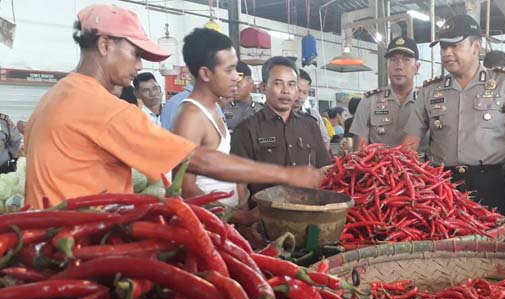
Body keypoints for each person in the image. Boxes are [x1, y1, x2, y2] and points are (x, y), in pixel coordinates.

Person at [23, 4, 321, 209]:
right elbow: (196, 161)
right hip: (77, 248)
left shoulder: (57, 95)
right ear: (104, 45)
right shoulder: (102, 107)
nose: (139, 65)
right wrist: (284, 175)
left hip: (50, 242)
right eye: (136, 53)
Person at [402, 14, 505, 231]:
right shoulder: (429, 91)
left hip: (490, 186)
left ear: (476, 46)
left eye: (455, 45)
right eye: (443, 47)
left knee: (494, 255)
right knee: (446, 253)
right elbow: (409, 144)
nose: (447, 53)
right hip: (442, 188)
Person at [231, 56, 332, 198]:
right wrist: (246, 216)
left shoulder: (310, 125)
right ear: (264, 87)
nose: (286, 91)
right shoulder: (246, 130)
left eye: (291, 85)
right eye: (278, 84)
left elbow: (324, 169)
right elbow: (239, 182)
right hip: (266, 213)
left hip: (310, 209)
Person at [171, 28, 244, 208]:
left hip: (226, 222)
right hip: (207, 227)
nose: (236, 77)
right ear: (205, 74)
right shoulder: (191, 117)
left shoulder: (213, 108)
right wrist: (242, 217)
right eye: (230, 70)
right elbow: (185, 189)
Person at [349, 36, 419, 151]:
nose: (399, 66)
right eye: (393, 59)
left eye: (406, 59)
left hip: (420, 168)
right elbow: (359, 151)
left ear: (417, 67)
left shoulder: (426, 101)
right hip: (378, 167)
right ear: (386, 66)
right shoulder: (369, 101)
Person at [293, 69, 331, 150]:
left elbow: (325, 141)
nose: (301, 96)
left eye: (305, 92)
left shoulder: (313, 114)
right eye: (298, 91)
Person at [223, 61, 262, 133]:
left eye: (238, 84)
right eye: (231, 84)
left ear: (250, 83)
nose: (234, 88)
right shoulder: (223, 108)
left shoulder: (261, 110)